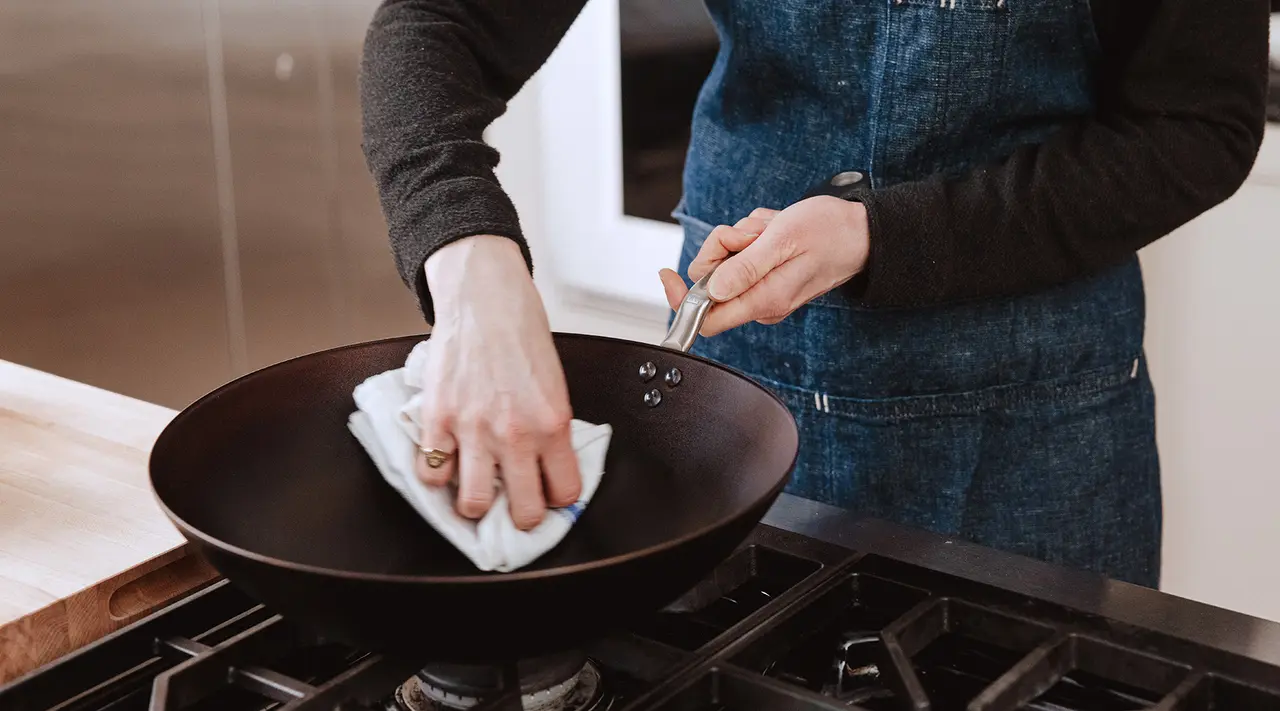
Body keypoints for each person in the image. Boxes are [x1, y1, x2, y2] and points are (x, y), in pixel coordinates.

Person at [358, 0, 1270, 587]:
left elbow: (1195, 127)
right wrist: (472, 261)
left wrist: (880, 233)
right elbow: (437, 25)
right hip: (745, 395)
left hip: (1040, 420)